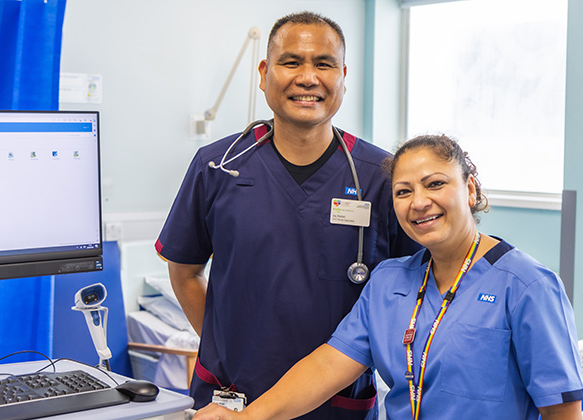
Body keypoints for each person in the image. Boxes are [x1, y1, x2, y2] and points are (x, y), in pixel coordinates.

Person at [192, 134, 583, 420]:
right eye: (403, 191)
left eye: (435, 184)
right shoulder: (389, 282)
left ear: (470, 189)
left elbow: (562, 409)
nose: (419, 202)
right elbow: (329, 366)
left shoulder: (527, 285)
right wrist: (248, 418)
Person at [155, 11, 418, 419]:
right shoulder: (218, 166)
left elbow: (412, 288)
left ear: (343, 76)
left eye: (324, 64)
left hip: (335, 404)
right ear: (264, 73)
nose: (308, 78)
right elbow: (185, 270)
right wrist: (223, 345)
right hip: (230, 397)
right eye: (291, 62)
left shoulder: (381, 177)